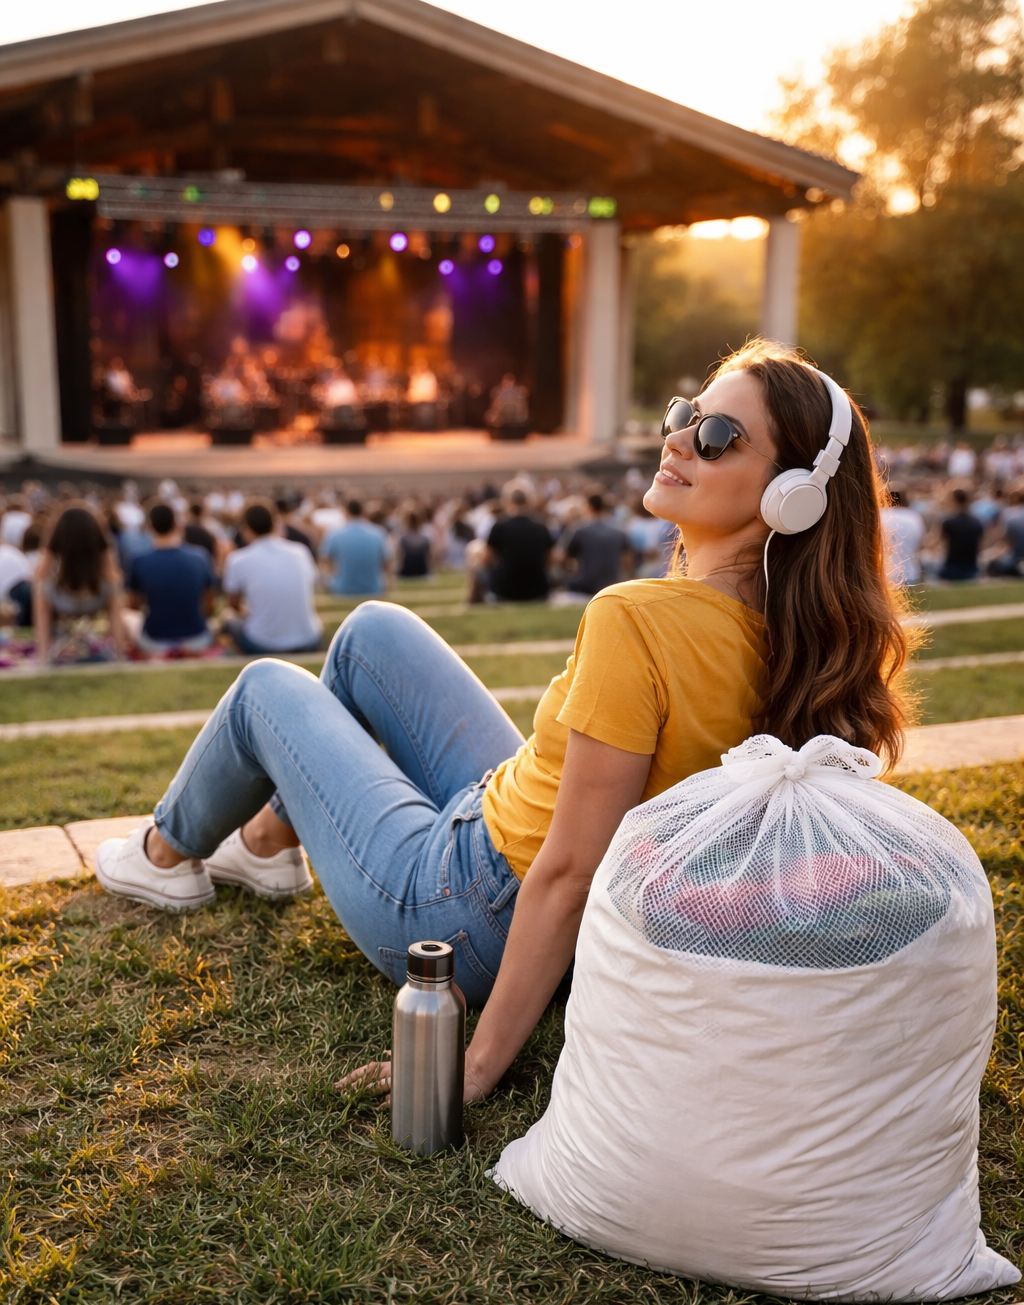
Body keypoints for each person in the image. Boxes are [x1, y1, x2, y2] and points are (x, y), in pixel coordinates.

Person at [95, 340, 908, 1122]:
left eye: (718, 436)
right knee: (370, 632)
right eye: (685, 412)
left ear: (790, 495)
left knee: (265, 688)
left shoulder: (637, 619)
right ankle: (272, 844)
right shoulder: (803, 637)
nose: (678, 439)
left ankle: (165, 857)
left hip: (460, 905)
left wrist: (475, 1066)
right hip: (506, 821)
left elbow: (571, 871)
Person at [221, 501, 323, 655]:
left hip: (263, 643)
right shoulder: (300, 552)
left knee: (227, 619)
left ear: (245, 529)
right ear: (275, 524)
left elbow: (233, 607)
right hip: (309, 638)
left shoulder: (238, 559)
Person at [35, 504, 126, 664]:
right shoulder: (103, 546)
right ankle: (118, 654)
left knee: (41, 588)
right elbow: (113, 575)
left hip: (63, 601)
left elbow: (40, 574)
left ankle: (43, 655)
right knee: (113, 587)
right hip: (97, 597)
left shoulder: (55, 542)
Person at [127, 503, 216, 656]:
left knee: (126, 618)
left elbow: (134, 605)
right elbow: (210, 605)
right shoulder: (200, 557)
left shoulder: (139, 560)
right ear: (176, 524)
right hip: (197, 638)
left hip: (154, 640)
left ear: (150, 526)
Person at [481, 488, 553, 602]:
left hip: (505, 590)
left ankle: (472, 603)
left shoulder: (499, 525)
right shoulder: (541, 526)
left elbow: (486, 559)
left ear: (508, 502)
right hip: (538, 589)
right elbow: (550, 559)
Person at [559, 493, 632, 598]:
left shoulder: (579, 530)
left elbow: (565, 560)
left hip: (585, 585)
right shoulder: (620, 529)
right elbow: (628, 562)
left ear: (589, 506)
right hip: (613, 585)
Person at [322, 500, 392, 596]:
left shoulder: (334, 534)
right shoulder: (378, 533)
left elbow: (326, 562)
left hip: (343, 590)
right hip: (373, 590)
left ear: (346, 512)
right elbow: (387, 563)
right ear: (363, 511)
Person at [880, 488, 926, 587]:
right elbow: (921, 544)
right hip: (910, 572)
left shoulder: (879, 515)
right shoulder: (914, 517)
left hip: (884, 574)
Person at [938, 488, 983, 581]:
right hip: (972, 569)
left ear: (954, 500)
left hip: (951, 569)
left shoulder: (948, 522)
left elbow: (940, 544)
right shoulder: (976, 521)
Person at [0, 537, 33, 629]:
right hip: (31, 583)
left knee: (24, 625)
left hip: (18, 589)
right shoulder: (8, 549)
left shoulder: (5, 551)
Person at [395, 510, 433, 579]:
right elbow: (429, 559)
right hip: (422, 572)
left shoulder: (403, 539)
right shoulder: (425, 539)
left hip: (405, 572)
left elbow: (399, 559)